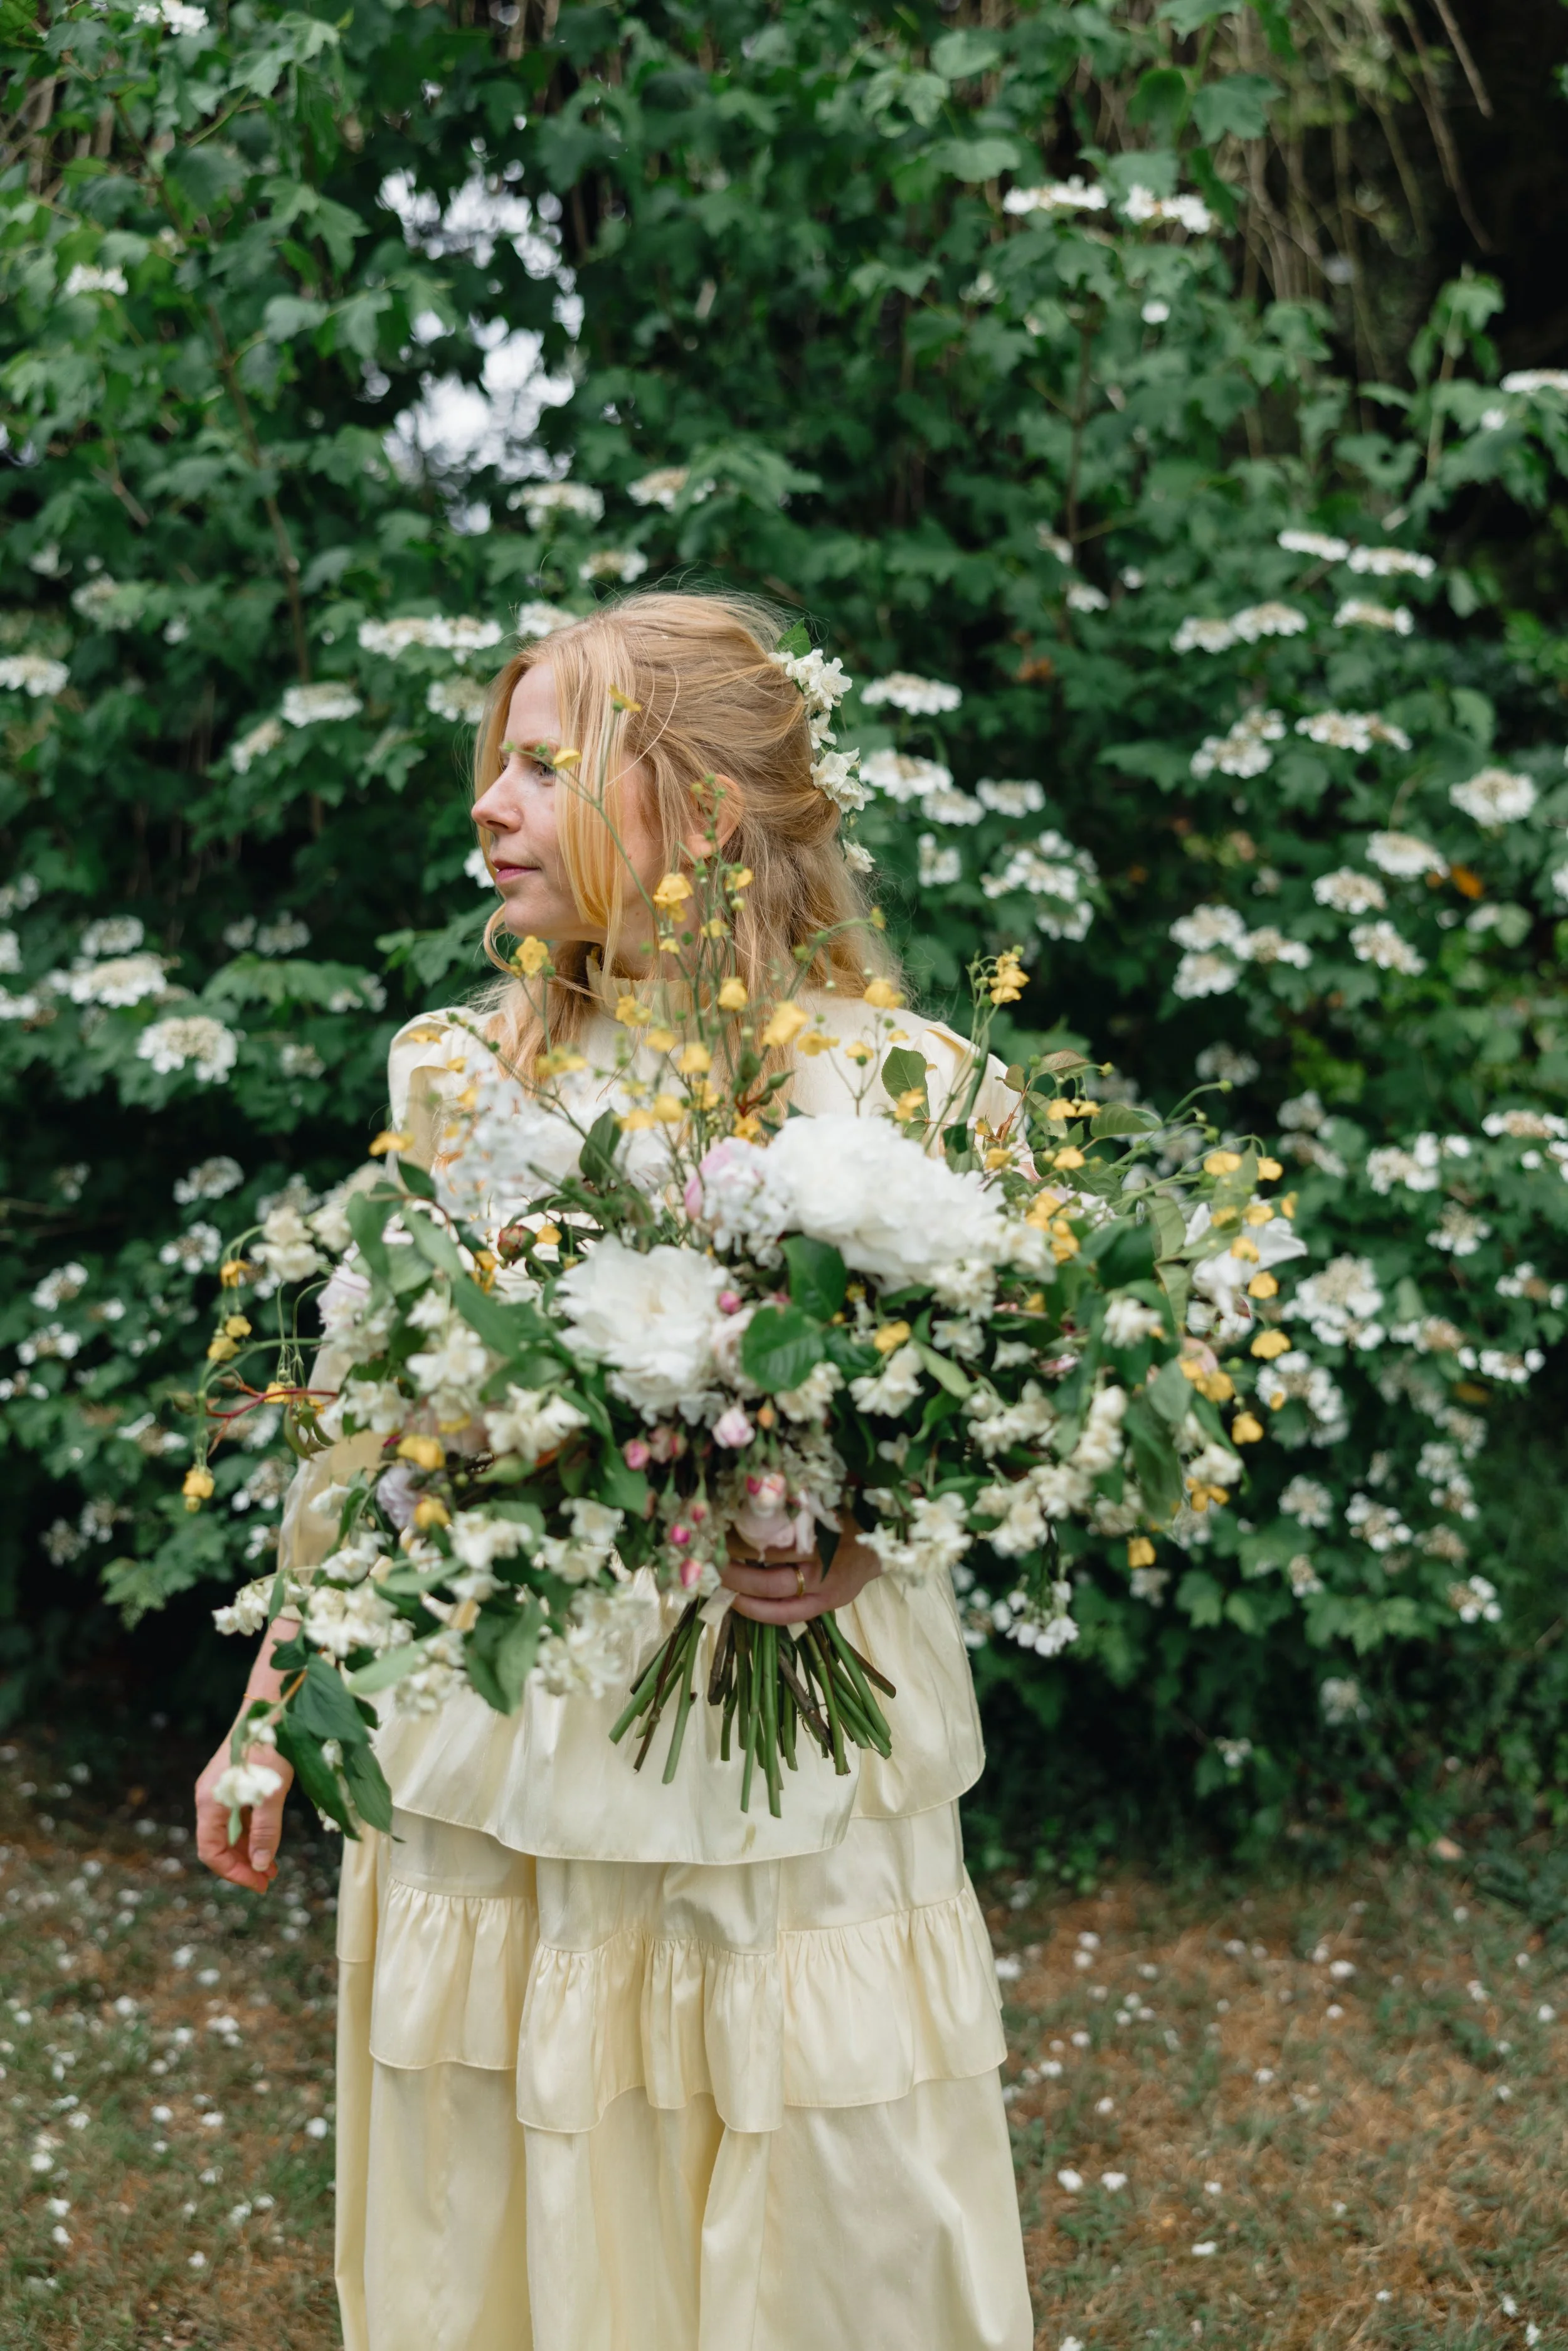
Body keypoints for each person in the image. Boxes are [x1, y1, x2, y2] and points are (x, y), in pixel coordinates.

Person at [194, 590, 1033, 2351]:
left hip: (785, 1727)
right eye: (492, 768)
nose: (487, 806)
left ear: (703, 815)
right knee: (516, 2155)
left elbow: (981, 1408)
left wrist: (862, 1536)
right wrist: (275, 1695)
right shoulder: (459, 1075)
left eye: (538, 766)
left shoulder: (904, 1088)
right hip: (516, 1718)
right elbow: (378, 1431)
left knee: (822, 2173)